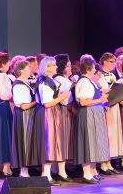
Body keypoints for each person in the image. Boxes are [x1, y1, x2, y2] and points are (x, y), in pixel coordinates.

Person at [33, 57, 71, 185]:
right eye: (53, 65)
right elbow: (47, 103)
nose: (56, 67)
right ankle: (46, 175)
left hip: (51, 113)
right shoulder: (44, 82)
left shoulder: (49, 81)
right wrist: (62, 97)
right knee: (48, 142)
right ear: (48, 68)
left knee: (52, 142)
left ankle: (48, 174)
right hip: (47, 113)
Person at [73, 57, 110, 184]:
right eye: (94, 68)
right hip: (88, 114)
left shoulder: (89, 81)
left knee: (93, 143)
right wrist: (100, 100)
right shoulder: (84, 82)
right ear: (89, 69)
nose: (95, 70)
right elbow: (83, 101)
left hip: (93, 114)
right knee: (88, 143)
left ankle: (92, 172)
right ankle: (87, 174)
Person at [11, 59, 41, 178]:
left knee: (28, 141)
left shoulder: (25, 83)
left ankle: (26, 170)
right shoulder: (19, 85)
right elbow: (23, 105)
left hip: (28, 115)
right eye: (28, 68)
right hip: (24, 116)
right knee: (24, 141)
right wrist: (36, 102)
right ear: (22, 70)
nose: (30, 70)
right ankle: (24, 171)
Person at [97, 52, 123, 174]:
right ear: (106, 62)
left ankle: (109, 162)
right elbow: (101, 89)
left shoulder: (112, 75)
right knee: (106, 134)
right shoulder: (99, 74)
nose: (114, 64)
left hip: (114, 104)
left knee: (113, 134)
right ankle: (103, 163)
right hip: (105, 106)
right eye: (112, 62)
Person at [53, 54, 75, 181]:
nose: (71, 68)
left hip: (61, 111)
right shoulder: (63, 81)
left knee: (59, 142)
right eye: (68, 65)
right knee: (61, 142)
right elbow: (64, 101)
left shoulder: (61, 79)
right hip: (62, 112)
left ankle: (57, 170)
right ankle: (61, 172)